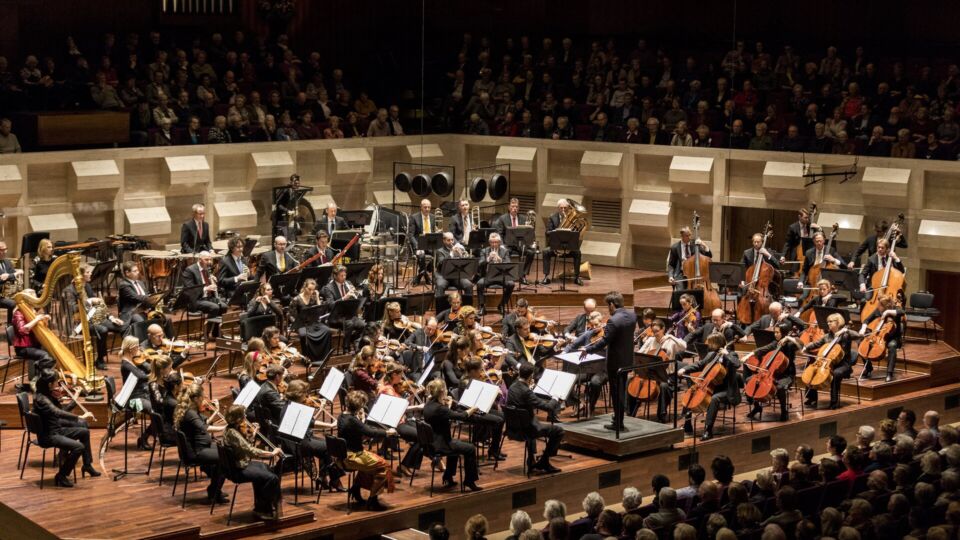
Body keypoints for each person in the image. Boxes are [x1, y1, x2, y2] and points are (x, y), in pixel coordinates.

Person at [32, 369, 101, 487]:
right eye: (55, 382)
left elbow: (59, 411)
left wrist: (73, 400)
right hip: (49, 436)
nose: (58, 385)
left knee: (84, 432)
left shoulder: (45, 394)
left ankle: (87, 465)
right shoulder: (41, 399)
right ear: (49, 384)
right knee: (78, 447)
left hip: (57, 430)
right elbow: (57, 412)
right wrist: (79, 416)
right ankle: (62, 475)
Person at [582, 291, 638, 431]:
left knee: (616, 393)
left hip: (615, 363)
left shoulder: (613, 320)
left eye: (608, 306)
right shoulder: (632, 315)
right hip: (627, 360)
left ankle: (618, 423)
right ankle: (619, 419)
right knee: (622, 390)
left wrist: (587, 350)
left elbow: (605, 341)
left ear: (612, 304)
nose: (608, 309)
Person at [222, 404, 283, 521]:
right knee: (272, 478)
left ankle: (263, 506)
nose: (245, 417)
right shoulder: (233, 433)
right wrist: (271, 453)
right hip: (238, 469)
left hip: (239, 465)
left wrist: (253, 433)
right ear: (238, 419)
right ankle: (262, 508)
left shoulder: (230, 429)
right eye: (243, 415)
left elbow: (243, 446)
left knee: (266, 468)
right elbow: (250, 451)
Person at [337, 390, 395, 510]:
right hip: (352, 457)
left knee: (372, 462)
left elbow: (359, 429)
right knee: (382, 466)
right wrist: (387, 432)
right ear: (360, 406)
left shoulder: (342, 416)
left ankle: (356, 488)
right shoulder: (353, 421)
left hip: (342, 455)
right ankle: (373, 501)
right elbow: (370, 432)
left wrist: (360, 419)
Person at [677, 333, 741, 440]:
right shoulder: (712, 354)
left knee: (714, 399)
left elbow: (737, 364)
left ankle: (708, 430)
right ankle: (688, 425)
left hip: (727, 390)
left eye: (710, 343)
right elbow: (700, 364)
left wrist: (726, 355)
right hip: (712, 387)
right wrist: (685, 369)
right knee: (691, 392)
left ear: (717, 343)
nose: (708, 345)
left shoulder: (732, 354)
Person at [63, 264, 127, 369]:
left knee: (122, 327)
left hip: (95, 318)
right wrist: (89, 301)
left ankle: (126, 355)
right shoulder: (69, 290)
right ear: (79, 275)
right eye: (87, 272)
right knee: (102, 330)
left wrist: (111, 317)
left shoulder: (87, 285)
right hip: (79, 323)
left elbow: (99, 305)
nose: (91, 274)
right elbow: (72, 309)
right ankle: (100, 359)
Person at [423, 379, 483, 491]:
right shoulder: (440, 408)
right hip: (442, 444)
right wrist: (472, 409)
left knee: (457, 445)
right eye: (445, 389)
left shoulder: (429, 404)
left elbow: (443, 415)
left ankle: (448, 477)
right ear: (442, 391)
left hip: (432, 442)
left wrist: (448, 405)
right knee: (470, 448)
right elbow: (461, 416)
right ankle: (470, 481)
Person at [172, 382, 227, 503]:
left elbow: (204, 423)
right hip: (198, 451)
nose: (204, 399)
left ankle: (214, 488)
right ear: (196, 398)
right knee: (226, 458)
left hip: (201, 446)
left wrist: (215, 411)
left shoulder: (190, 410)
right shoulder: (190, 413)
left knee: (225, 450)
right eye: (202, 396)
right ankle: (214, 490)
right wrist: (225, 428)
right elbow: (205, 428)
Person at [507, 362, 564, 473]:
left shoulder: (512, 386)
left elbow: (523, 399)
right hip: (526, 430)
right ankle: (544, 460)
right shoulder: (526, 392)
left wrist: (529, 387)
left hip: (512, 429)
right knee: (559, 431)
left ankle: (531, 459)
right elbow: (548, 407)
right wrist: (555, 399)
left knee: (533, 420)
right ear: (531, 376)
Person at [801, 313, 861, 409]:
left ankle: (834, 401)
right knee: (811, 371)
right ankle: (811, 398)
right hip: (828, 363)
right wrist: (805, 347)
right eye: (828, 322)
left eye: (831, 322)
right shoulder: (827, 336)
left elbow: (859, 335)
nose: (828, 323)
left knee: (836, 374)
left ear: (838, 322)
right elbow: (816, 344)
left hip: (843, 365)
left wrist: (846, 330)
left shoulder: (845, 335)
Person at [742, 322, 800, 421]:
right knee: (749, 380)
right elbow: (762, 349)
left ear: (784, 333)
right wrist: (748, 356)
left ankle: (783, 410)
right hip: (773, 374)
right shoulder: (775, 343)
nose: (775, 334)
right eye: (775, 332)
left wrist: (788, 338)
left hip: (787, 375)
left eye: (777, 332)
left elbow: (801, 345)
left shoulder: (790, 345)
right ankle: (757, 407)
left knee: (780, 387)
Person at [640, 318, 690, 423]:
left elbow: (684, 346)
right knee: (631, 381)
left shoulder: (670, 342)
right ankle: (629, 412)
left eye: (657, 331)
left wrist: (671, 336)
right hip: (651, 374)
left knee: (664, 386)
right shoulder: (650, 340)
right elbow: (640, 353)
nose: (655, 334)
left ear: (663, 329)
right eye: (653, 332)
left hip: (667, 375)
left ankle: (662, 414)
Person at [859, 294, 906, 382]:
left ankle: (889, 373)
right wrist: (863, 328)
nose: (877, 306)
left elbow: (902, 312)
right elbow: (867, 320)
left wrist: (888, 312)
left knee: (892, 346)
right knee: (860, 342)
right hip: (879, 336)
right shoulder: (878, 310)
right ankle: (868, 368)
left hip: (893, 337)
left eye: (879, 305)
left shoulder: (895, 309)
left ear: (885, 306)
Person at [11, 289, 56, 378]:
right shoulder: (18, 313)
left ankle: (41, 378)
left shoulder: (32, 311)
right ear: (27, 299)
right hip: (24, 348)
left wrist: (45, 320)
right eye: (33, 298)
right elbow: (22, 330)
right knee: (46, 356)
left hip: (34, 344)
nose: (35, 300)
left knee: (52, 352)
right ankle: (39, 381)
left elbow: (38, 328)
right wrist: (37, 319)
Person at [287, 278, 332, 364]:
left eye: (313, 290)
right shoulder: (296, 299)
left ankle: (323, 358)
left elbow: (319, 311)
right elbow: (291, 315)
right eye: (309, 289)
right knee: (304, 335)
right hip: (301, 323)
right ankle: (307, 359)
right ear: (305, 287)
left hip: (313, 322)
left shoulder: (314, 298)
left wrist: (318, 297)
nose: (311, 291)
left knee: (327, 330)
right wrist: (297, 324)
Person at [321, 265, 365, 350]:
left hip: (349, 314)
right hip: (336, 316)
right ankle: (345, 347)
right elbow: (331, 305)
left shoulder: (348, 283)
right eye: (341, 276)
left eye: (345, 275)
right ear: (335, 276)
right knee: (350, 324)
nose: (344, 278)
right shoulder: (328, 288)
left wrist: (356, 293)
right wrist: (345, 297)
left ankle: (353, 341)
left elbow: (358, 298)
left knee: (362, 325)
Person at [541, 199, 584, 286]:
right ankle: (546, 276)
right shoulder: (552, 218)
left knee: (578, 253)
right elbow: (547, 232)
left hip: (568, 247)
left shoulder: (573, 219)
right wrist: (556, 231)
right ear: (558, 208)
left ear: (568, 208)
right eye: (561, 208)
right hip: (555, 247)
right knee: (545, 252)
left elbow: (576, 233)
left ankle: (577, 277)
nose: (563, 210)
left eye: (565, 208)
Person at [493, 198, 535, 283]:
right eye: (513, 206)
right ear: (509, 207)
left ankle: (522, 275)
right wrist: (501, 245)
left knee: (531, 253)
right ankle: (506, 275)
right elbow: (499, 233)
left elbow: (528, 233)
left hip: (520, 245)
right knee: (504, 252)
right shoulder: (502, 218)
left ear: (518, 208)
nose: (514, 208)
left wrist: (529, 242)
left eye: (516, 207)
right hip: (507, 245)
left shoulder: (523, 219)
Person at [180, 251, 227, 322]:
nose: (209, 262)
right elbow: (190, 289)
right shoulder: (189, 270)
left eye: (210, 259)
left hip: (208, 298)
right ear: (199, 260)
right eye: (206, 260)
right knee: (214, 307)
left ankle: (216, 332)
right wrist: (206, 289)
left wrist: (213, 282)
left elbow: (206, 282)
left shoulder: (206, 268)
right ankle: (207, 330)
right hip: (196, 300)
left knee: (224, 307)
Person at [434, 232, 474, 312]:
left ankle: (468, 311)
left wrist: (461, 255)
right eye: (448, 240)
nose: (451, 242)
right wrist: (451, 254)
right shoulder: (440, 251)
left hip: (456, 275)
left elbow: (466, 262)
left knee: (468, 285)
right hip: (443, 276)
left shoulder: (458, 248)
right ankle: (440, 312)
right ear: (444, 241)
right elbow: (442, 263)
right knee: (440, 285)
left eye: (452, 240)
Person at [476, 232, 514, 316]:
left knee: (511, 284)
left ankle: (501, 305)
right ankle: (482, 307)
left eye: (496, 242)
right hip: (488, 277)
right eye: (492, 242)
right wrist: (488, 259)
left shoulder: (504, 251)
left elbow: (508, 263)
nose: (494, 244)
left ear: (499, 242)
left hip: (501, 277)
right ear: (489, 242)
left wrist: (500, 260)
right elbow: (479, 264)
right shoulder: (484, 251)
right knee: (479, 284)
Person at [409, 198, 438, 285]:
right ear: (421, 207)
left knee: (439, 253)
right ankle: (426, 276)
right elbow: (411, 235)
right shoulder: (414, 217)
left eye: (429, 207)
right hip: (419, 244)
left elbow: (434, 232)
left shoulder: (433, 217)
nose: (427, 209)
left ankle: (422, 275)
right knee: (421, 255)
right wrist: (417, 246)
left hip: (430, 244)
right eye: (425, 207)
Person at [117, 261, 156, 325]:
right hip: (131, 312)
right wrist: (152, 297)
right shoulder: (124, 285)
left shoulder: (140, 283)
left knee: (164, 318)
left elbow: (146, 294)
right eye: (135, 271)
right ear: (127, 273)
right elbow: (136, 297)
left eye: (137, 270)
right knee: (141, 322)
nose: (138, 272)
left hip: (144, 310)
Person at [272, 174, 308, 240]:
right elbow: (278, 204)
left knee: (292, 235)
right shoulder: (285, 191)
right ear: (291, 182)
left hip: (289, 217)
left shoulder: (296, 191)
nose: (297, 185)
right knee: (284, 236)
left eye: (298, 183)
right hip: (280, 217)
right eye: (295, 183)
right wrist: (287, 211)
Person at [217, 236, 250, 301]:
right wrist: (237, 278)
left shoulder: (244, 259)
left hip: (244, 289)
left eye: (242, 246)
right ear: (232, 248)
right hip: (232, 290)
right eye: (238, 247)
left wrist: (249, 274)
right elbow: (221, 281)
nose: (241, 249)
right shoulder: (225, 261)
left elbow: (247, 277)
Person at [0, 241, 22, 319]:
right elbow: (1, 279)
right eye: (2, 250)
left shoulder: (7, 262)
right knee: (12, 303)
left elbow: (12, 277)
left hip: (5, 294)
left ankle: (12, 324)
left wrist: (9, 276)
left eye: (5, 249)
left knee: (21, 301)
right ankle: (10, 325)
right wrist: (16, 273)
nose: (5, 252)